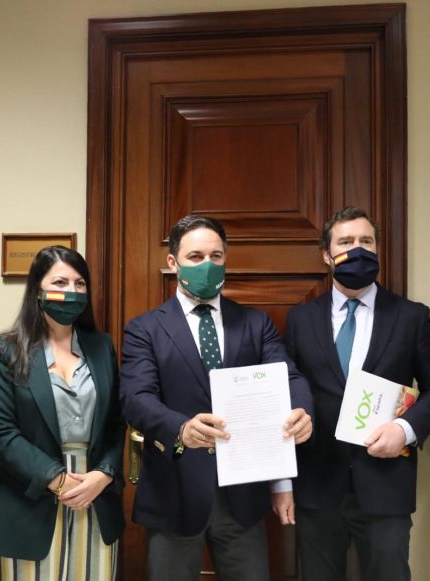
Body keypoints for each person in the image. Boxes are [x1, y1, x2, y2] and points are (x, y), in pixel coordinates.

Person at [119, 214, 313, 581]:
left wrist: (303, 411)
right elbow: (135, 397)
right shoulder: (145, 328)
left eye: (216, 256)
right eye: (195, 257)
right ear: (173, 262)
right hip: (173, 494)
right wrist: (180, 427)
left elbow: (289, 377)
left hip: (242, 497)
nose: (207, 265)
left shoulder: (256, 323)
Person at [284, 207, 430, 581]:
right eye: (346, 242)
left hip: (385, 484)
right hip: (316, 484)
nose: (357, 248)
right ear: (327, 255)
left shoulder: (410, 316)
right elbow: (287, 395)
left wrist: (405, 430)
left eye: (366, 241)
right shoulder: (300, 319)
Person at [0, 245, 125, 580]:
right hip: (31, 499)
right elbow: (2, 434)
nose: (71, 291)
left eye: (79, 284)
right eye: (60, 283)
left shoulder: (102, 347)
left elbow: (118, 424)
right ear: (38, 290)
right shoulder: (6, 351)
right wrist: (57, 480)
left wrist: (103, 474)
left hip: (95, 496)